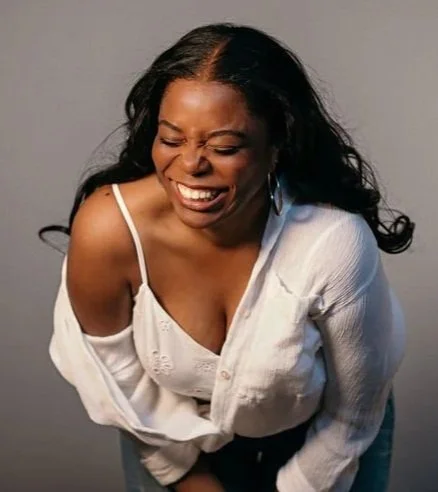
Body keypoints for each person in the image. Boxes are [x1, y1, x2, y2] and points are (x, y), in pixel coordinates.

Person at [41, 23, 414, 492]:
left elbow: (351, 416)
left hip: (324, 438)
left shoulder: (333, 242)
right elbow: (122, 386)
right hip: (166, 435)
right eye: (171, 140)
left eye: (224, 147)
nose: (191, 165)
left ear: (276, 146)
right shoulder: (109, 231)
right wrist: (190, 477)